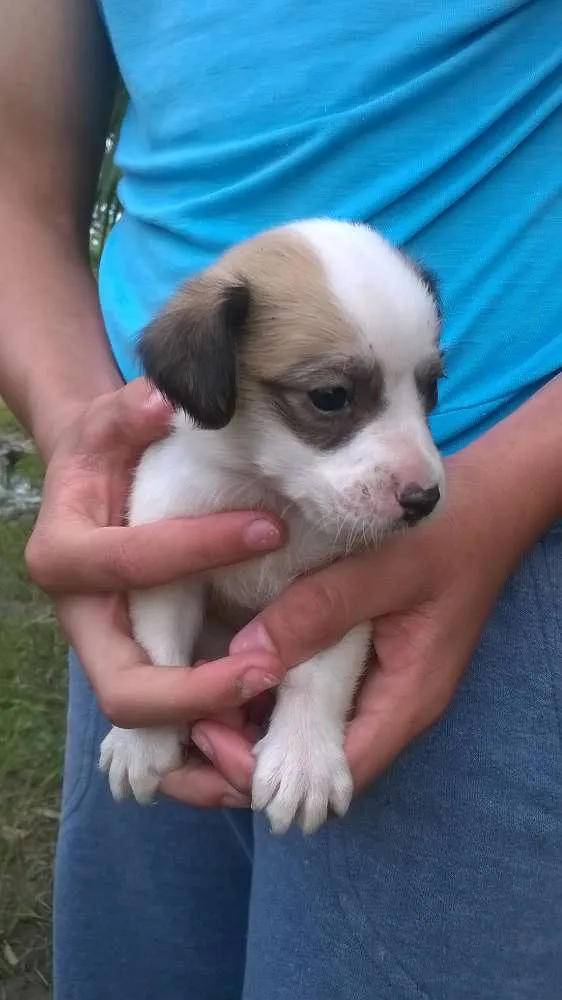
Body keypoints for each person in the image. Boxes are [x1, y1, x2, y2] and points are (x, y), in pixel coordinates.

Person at [0, 1, 561, 997]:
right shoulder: (197, 392)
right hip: (134, 581)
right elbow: (15, 179)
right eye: (333, 401)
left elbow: (355, 563)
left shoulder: (405, 475)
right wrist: (83, 446)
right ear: (206, 378)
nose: (413, 460)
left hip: (514, 532)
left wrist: (507, 486)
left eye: (420, 389)